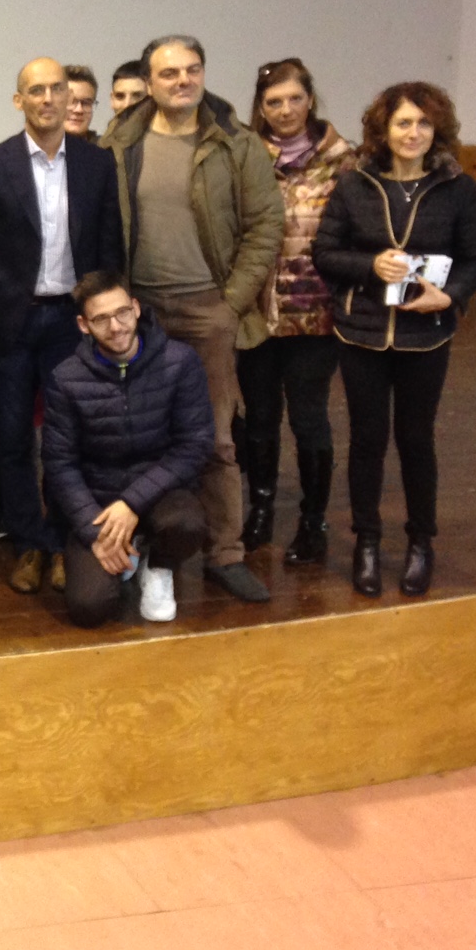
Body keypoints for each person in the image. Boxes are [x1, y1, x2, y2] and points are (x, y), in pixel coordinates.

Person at [101, 35, 284, 603]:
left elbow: (265, 225)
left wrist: (231, 303)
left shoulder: (236, 143)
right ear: (148, 82)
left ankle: (225, 553)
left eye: (192, 69)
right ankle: (153, 548)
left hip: (209, 309)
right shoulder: (120, 141)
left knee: (215, 438)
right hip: (138, 313)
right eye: (169, 73)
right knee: (136, 433)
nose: (183, 80)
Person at [313, 82, 476, 597]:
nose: (414, 133)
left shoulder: (459, 189)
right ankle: (366, 542)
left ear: (438, 130)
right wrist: (371, 264)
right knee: (366, 441)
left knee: (416, 440)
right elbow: (326, 253)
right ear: (383, 130)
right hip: (361, 333)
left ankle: (420, 542)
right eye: (403, 123)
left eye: (424, 123)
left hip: (426, 336)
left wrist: (449, 296)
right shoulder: (354, 184)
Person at [0, 58, 124, 596]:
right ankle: (28, 543)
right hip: (10, 323)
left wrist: (106, 319)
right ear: (19, 101)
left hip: (72, 323)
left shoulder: (97, 165)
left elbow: (110, 245)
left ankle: (61, 540)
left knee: (67, 438)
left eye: (58, 89)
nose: (49, 98)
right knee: (12, 438)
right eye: (37, 90)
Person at [236, 59, 358, 562]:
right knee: (260, 417)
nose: (285, 110)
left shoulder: (343, 162)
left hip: (315, 314)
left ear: (310, 100)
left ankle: (313, 520)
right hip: (256, 312)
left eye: (294, 99)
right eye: (274, 102)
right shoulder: (243, 156)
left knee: (309, 419)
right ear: (260, 108)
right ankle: (261, 508)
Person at [42, 272, 214, 627]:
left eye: (122, 312)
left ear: (136, 308)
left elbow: (194, 445)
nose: (116, 326)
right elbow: (60, 464)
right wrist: (95, 533)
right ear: (84, 325)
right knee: (89, 608)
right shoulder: (65, 378)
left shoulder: (180, 361)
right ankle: (125, 553)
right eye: (101, 319)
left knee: (187, 523)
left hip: (161, 492)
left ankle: (158, 567)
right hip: (98, 502)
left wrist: (132, 503)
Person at [63, 65, 99, 139]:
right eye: (70, 102)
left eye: (86, 103)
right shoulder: (38, 144)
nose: (79, 110)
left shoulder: (105, 145)